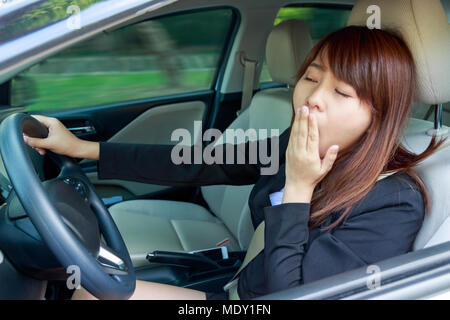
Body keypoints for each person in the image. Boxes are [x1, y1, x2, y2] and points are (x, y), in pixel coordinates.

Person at [23, 26, 447, 300]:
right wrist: (85, 149)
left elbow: (293, 296)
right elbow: (202, 161)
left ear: (379, 113)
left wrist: (298, 189)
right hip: (236, 287)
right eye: (312, 78)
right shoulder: (297, 145)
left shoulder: (393, 200)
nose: (313, 98)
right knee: (91, 292)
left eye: (343, 92)